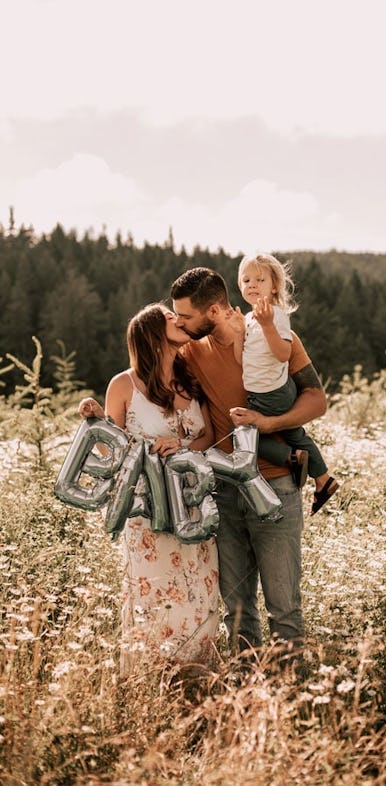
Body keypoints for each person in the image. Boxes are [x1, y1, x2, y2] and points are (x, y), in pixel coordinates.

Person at [170, 267, 328, 653]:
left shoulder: (270, 337)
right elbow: (146, 372)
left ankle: (288, 697)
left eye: (187, 316)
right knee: (236, 610)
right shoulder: (189, 352)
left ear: (212, 312)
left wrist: (268, 422)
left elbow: (316, 400)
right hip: (223, 490)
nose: (180, 323)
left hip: (275, 485)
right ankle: (245, 693)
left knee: (284, 609)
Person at [78, 303, 219, 676]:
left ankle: (194, 681)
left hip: (192, 505)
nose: (178, 319)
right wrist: (94, 421)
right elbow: (111, 450)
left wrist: (184, 448)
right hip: (148, 509)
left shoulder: (189, 379)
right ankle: (151, 679)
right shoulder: (123, 384)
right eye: (169, 318)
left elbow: (207, 435)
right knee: (152, 593)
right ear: (153, 334)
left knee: (200, 592)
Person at [229, 252, 338, 515]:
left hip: (270, 393)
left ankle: (289, 458)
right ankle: (323, 479)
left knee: (244, 437)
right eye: (246, 280)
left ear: (274, 286)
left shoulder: (275, 316)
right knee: (295, 433)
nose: (252, 285)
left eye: (259, 279)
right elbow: (240, 360)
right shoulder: (249, 318)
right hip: (269, 390)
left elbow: (283, 354)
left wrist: (267, 326)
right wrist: (237, 333)